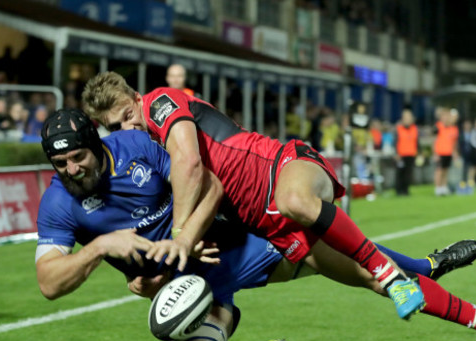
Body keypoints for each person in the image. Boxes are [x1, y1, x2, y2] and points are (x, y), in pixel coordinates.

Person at [35, 109, 476, 341]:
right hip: (199, 285)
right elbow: (49, 283)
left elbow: (207, 185)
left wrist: (182, 240)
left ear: (97, 145)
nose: (72, 171)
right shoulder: (59, 204)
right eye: (61, 165)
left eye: (78, 158)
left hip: (247, 243)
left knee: (371, 276)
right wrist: (101, 247)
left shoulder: (139, 147)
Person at [82, 72, 429, 320]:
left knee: (335, 254)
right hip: (243, 218)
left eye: (128, 115)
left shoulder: (159, 102)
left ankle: (423, 271)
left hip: (267, 182)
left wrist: (180, 237)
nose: (127, 128)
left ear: (137, 99)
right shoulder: (146, 149)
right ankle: (422, 275)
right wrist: (146, 273)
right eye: (115, 127)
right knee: (341, 265)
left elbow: (190, 164)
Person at [433, 108, 460, 196]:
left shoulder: (454, 129)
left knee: (445, 171)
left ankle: (444, 187)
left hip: (448, 153)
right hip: (440, 153)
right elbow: (434, 140)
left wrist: (455, 152)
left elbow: (454, 143)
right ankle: (437, 188)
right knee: (439, 171)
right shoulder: (438, 126)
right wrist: (435, 153)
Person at [393, 109, 419, 196]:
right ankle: (399, 190)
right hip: (401, 155)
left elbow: (417, 142)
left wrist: (418, 152)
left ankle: (406, 190)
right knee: (400, 173)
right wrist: (396, 153)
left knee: (408, 173)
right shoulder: (398, 129)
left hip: (411, 154)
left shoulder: (414, 129)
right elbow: (395, 142)